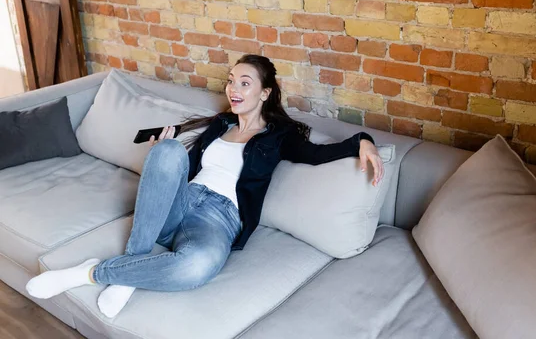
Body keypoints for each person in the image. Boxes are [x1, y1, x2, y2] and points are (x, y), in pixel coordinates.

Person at [26, 54, 383, 318]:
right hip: (183, 198)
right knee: (167, 150)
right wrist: (162, 153)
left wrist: (363, 140)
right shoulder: (219, 123)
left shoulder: (280, 135)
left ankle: (94, 272)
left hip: (220, 218)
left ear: (264, 93)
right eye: (231, 80)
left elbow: (318, 154)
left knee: (194, 269)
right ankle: (131, 271)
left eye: (245, 83)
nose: (233, 89)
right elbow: (178, 169)